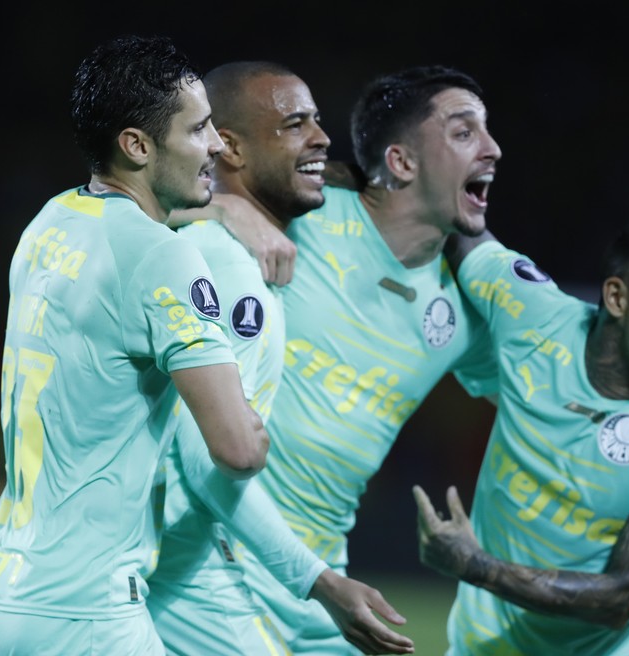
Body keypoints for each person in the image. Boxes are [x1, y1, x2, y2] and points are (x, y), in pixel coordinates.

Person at [187, 65, 629, 655]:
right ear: (403, 162)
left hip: (319, 582)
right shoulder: (301, 213)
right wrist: (221, 209)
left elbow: (566, 374)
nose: (493, 149)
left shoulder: (467, 310)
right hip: (215, 554)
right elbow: (128, 210)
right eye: (464, 133)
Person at [0, 35, 272, 655]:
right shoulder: (166, 260)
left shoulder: (50, 222)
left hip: (2, 587)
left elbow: (135, 237)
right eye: (200, 129)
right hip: (85, 611)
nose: (217, 145)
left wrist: (226, 213)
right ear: (137, 145)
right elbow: (237, 449)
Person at [147, 61, 414, 656]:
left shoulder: (186, 243)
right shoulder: (234, 272)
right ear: (231, 148)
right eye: (295, 124)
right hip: (177, 576)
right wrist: (320, 582)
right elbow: (209, 460)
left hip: (149, 569)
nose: (321, 136)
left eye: (318, 120)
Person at [413, 220, 629, 655]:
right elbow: (450, 218)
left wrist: (476, 565)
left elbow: (620, 598)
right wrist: (295, 209)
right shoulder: (533, 315)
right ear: (617, 297)